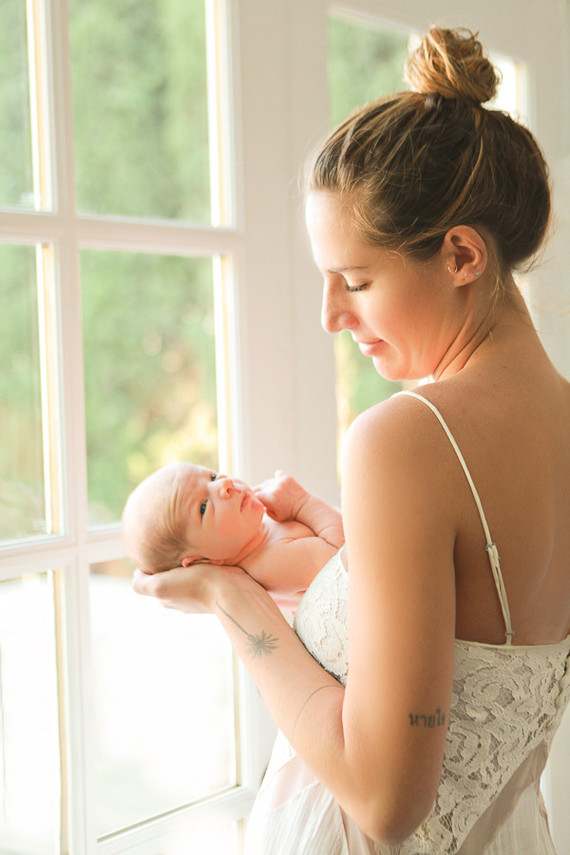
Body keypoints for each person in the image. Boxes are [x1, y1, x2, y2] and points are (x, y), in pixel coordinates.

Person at [133, 26, 570, 854]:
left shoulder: (405, 438)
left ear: (462, 254)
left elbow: (384, 800)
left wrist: (231, 599)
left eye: (357, 281)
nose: (331, 314)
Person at [122, 463, 344, 609]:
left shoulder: (256, 532)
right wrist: (302, 503)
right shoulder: (268, 565)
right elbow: (347, 561)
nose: (224, 484)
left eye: (212, 477)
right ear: (202, 560)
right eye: (203, 507)